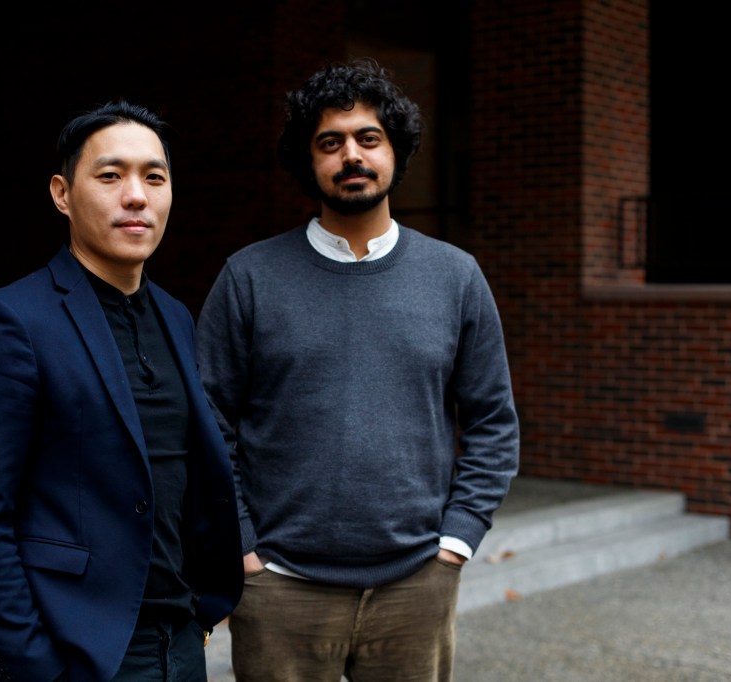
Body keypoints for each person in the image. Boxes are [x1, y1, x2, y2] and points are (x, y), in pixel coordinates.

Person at [195, 59, 521, 681]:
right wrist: (243, 549)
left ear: (395, 150)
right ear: (308, 160)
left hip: (416, 586)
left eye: (368, 138)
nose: (351, 155)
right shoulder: (249, 277)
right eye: (330, 142)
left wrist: (456, 541)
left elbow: (493, 422)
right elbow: (207, 427)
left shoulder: (455, 277)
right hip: (282, 589)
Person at [0, 100, 243, 682]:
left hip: (182, 640)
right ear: (62, 193)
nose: (136, 196)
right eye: (110, 176)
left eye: (154, 177)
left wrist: (201, 612)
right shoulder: (12, 320)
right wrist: (35, 663)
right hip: (79, 652)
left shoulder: (177, 316)